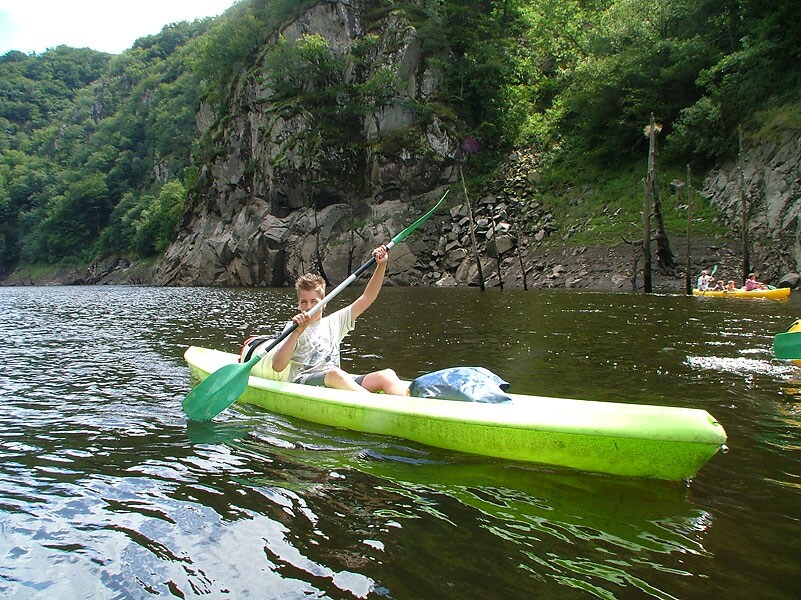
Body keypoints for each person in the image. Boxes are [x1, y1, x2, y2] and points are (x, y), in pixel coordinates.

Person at [271, 245, 408, 396]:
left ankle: (405, 408)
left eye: (314, 301)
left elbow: (368, 297)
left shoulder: (335, 322)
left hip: (336, 379)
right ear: (298, 304)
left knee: (387, 375)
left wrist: (381, 265)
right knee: (335, 374)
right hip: (303, 382)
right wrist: (296, 333)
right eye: (303, 302)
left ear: (324, 303)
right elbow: (277, 367)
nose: (308, 306)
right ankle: (374, 402)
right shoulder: (293, 327)